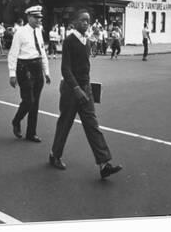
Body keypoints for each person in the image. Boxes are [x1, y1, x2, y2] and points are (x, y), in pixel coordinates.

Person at [49, 9, 123, 179]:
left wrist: (87, 87)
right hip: (70, 89)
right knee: (65, 123)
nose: (86, 23)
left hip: (85, 88)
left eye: (88, 21)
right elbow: (65, 69)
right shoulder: (69, 40)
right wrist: (76, 89)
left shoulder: (87, 41)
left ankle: (104, 164)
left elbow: (85, 68)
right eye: (82, 20)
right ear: (74, 22)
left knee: (92, 125)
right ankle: (55, 155)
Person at [8, 5, 51, 142]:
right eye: (36, 17)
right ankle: (16, 120)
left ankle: (31, 133)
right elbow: (13, 54)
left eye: (40, 17)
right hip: (24, 67)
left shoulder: (38, 31)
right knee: (28, 101)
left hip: (37, 67)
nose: (39, 20)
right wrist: (12, 74)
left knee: (35, 102)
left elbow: (42, 52)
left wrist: (46, 71)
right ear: (29, 17)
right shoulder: (20, 33)